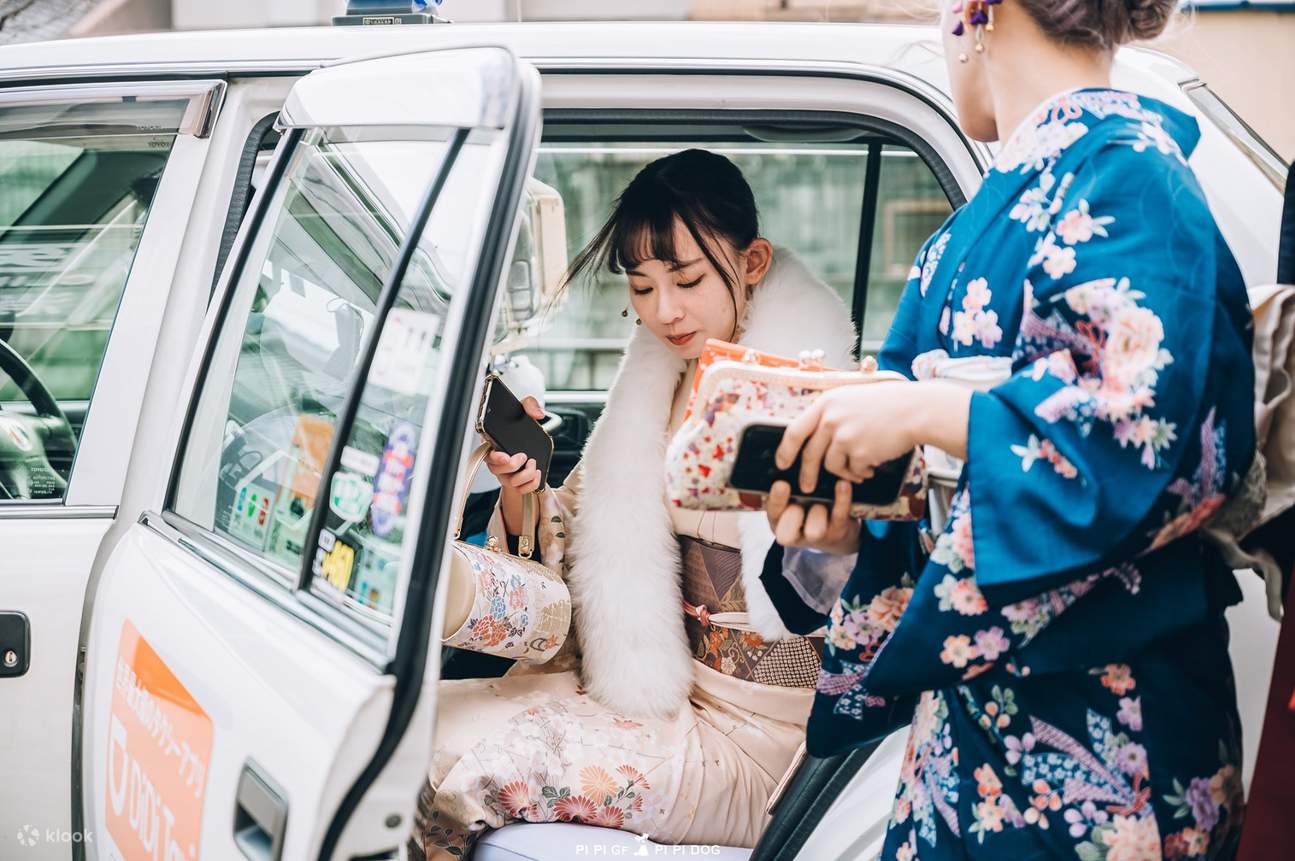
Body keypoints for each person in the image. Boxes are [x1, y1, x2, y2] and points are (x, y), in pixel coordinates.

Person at [759, 1, 1257, 859]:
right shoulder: (990, 216)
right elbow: (924, 482)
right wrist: (844, 530)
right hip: (969, 735)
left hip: (1105, 736)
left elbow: (1134, 433)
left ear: (975, 10)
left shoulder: (1133, 177)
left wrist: (922, 409)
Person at [410, 148, 857, 860]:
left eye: (685, 279)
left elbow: (837, 591)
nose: (663, 310)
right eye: (642, 287)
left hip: (761, 748)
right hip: (650, 704)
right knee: (403, 726)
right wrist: (525, 492)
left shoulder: (815, 392)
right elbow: (571, 541)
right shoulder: (651, 389)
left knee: (454, 768)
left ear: (752, 261)